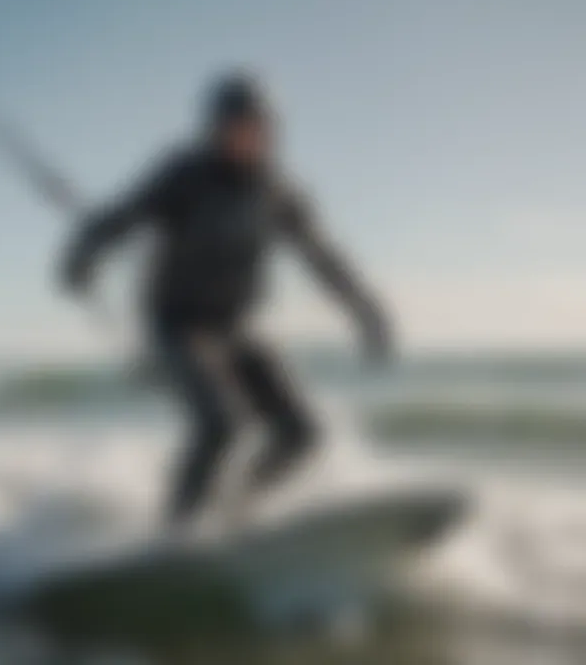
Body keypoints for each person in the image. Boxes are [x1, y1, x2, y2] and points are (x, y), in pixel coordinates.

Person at [59, 71, 393, 525]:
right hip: (176, 324)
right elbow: (123, 213)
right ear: (214, 129)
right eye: (238, 126)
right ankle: (176, 532)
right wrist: (84, 253)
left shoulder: (278, 192)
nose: (249, 137)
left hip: (234, 328)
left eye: (260, 127)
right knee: (221, 424)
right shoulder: (183, 175)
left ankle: (238, 508)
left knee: (301, 434)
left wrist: (365, 310)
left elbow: (323, 258)